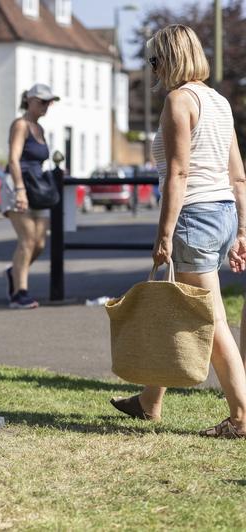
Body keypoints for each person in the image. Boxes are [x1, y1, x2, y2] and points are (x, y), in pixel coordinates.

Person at [110, 24, 246, 438]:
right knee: (177, 306)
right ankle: (150, 400)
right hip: (221, 212)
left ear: (169, 58)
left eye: (154, 60)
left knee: (211, 319)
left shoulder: (178, 100)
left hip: (194, 215)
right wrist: (241, 231)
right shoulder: (218, 101)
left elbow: (179, 172)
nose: (151, 68)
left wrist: (165, 232)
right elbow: (238, 176)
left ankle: (241, 416)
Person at [0, 83, 60, 309]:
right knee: (27, 240)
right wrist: (19, 189)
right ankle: (19, 293)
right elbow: (14, 159)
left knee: (40, 243)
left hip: (38, 188)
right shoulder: (21, 125)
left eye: (49, 102)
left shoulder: (40, 129)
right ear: (30, 100)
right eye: (42, 101)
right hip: (18, 185)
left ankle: (14, 272)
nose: (46, 106)